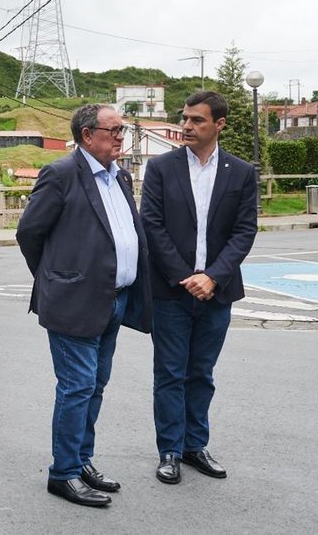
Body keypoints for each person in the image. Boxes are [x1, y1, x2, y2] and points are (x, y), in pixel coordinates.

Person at [16, 103, 152, 508]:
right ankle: (63, 473)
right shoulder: (60, 174)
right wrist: (57, 278)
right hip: (74, 301)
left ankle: (81, 459)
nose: (120, 137)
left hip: (115, 299)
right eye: (114, 130)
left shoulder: (120, 177)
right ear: (87, 134)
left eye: (123, 130)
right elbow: (29, 233)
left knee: (95, 386)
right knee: (76, 387)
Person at [140, 90, 258, 485]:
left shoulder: (240, 172)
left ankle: (195, 446)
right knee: (170, 373)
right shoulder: (160, 168)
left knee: (201, 374)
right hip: (171, 290)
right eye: (185, 118)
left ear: (219, 124)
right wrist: (184, 276)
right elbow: (152, 225)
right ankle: (170, 451)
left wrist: (213, 276)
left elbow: (244, 231)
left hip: (217, 291)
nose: (186, 126)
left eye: (197, 120)